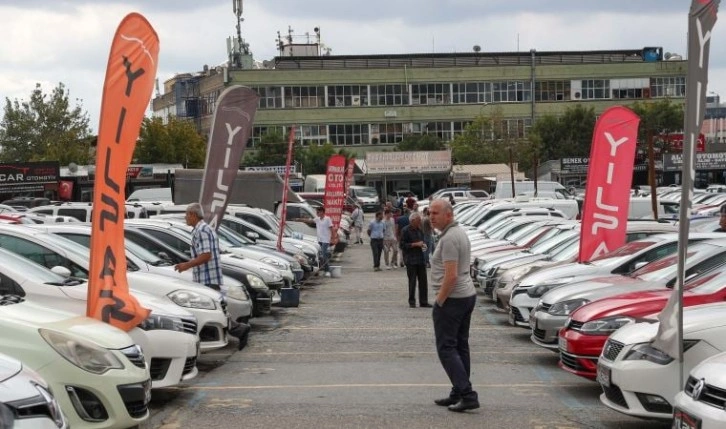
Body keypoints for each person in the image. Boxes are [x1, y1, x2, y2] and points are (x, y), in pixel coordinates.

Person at [428, 199, 479, 412]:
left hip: (453, 299)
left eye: (436, 213)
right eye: (430, 213)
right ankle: (459, 392)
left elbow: (451, 276)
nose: (431, 217)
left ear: (449, 215)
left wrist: (439, 301)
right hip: (466, 295)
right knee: (460, 346)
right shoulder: (457, 233)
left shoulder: (450, 238)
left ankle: (467, 394)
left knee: (446, 348)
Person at [174, 202, 223, 291]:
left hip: (207, 280)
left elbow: (206, 255)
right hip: (207, 280)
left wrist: (187, 265)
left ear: (193, 215)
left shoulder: (202, 230)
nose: (185, 217)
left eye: (187, 214)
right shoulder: (202, 229)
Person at [400, 212, 430, 308]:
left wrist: (423, 245)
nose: (420, 222)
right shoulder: (405, 230)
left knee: (423, 282)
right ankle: (412, 301)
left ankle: (423, 301)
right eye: (418, 220)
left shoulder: (419, 230)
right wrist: (415, 244)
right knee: (412, 282)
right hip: (411, 260)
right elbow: (402, 245)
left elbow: (422, 241)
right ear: (412, 221)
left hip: (420, 259)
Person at [314, 206, 335, 277]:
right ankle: (323, 269)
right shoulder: (317, 219)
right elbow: (310, 220)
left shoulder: (327, 219)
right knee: (321, 255)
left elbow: (331, 228)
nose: (317, 213)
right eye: (316, 212)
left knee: (324, 255)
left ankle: (327, 270)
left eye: (318, 212)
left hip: (326, 240)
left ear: (322, 212)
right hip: (319, 239)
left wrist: (333, 238)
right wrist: (299, 219)